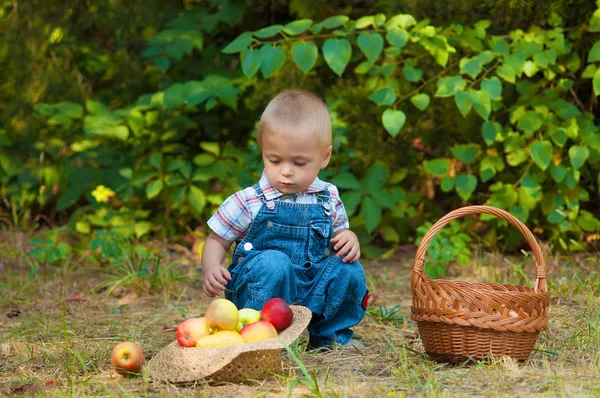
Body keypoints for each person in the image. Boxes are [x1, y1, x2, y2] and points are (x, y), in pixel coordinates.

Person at [201, 89, 368, 349]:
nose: (286, 172)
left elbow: (339, 237)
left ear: (325, 157)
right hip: (262, 294)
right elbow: (216, 239)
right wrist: (212, 267)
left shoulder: (328, 196)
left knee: (349, 268)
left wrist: (349, 237)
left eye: (300, 163)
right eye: (275, 160)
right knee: (274, 263)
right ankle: (259, 339)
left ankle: (328, 336)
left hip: (311, 289)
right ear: (263, 152)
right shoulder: (248, 200)